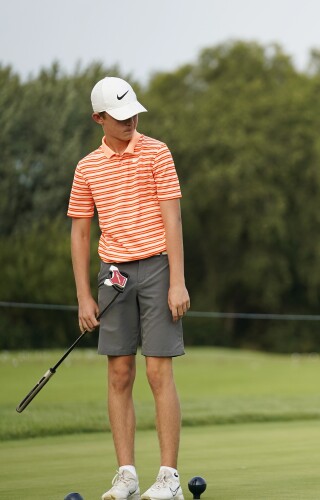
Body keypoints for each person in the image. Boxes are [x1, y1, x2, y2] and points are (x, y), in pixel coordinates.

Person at [68, 76, 190, 500]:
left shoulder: (157, 152)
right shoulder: (87, 167)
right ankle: (127, 475)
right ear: (98, 118)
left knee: (159, 371)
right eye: (119, 116)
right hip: (113, 273)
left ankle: (169, 478)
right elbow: (81, 233)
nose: (130, 120)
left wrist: (178, 280)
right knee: (119, 372)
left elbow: (172, 219)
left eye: (133, 112)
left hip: (158, 267)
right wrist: (84, 295)